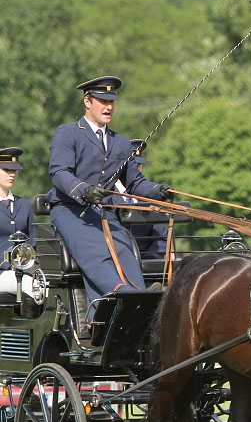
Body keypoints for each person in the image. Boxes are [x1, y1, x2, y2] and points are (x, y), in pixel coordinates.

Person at [47, 76, 173, 320]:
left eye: (112, 102)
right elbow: (59, 172)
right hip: (70, 210)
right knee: (96, 252)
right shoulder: (68, 133)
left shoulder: (121, 142)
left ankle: (135, 301)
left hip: (104, 213)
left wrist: (157, 191)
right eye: (102, 101)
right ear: (87, 101)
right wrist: (83, 190)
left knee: (126, 250)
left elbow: (135, 183)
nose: (108, 107)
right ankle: (123, 296)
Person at [0, 147, 46, 314]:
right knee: (31, 285)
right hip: (3, 272)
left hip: (24, 271)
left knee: (46, 283)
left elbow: (32, 243)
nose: (12, 174)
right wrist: (8, 265)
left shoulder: (24, 205)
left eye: (15, 171)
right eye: (6, 170)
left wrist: (31, 267)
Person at [120, 139, 167, 259]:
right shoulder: (105, 196)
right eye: (131, 166)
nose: (136, 170)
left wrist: (150, 259)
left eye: (138, 165)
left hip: (146, 263)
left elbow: (160, 236)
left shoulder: (149, 196)